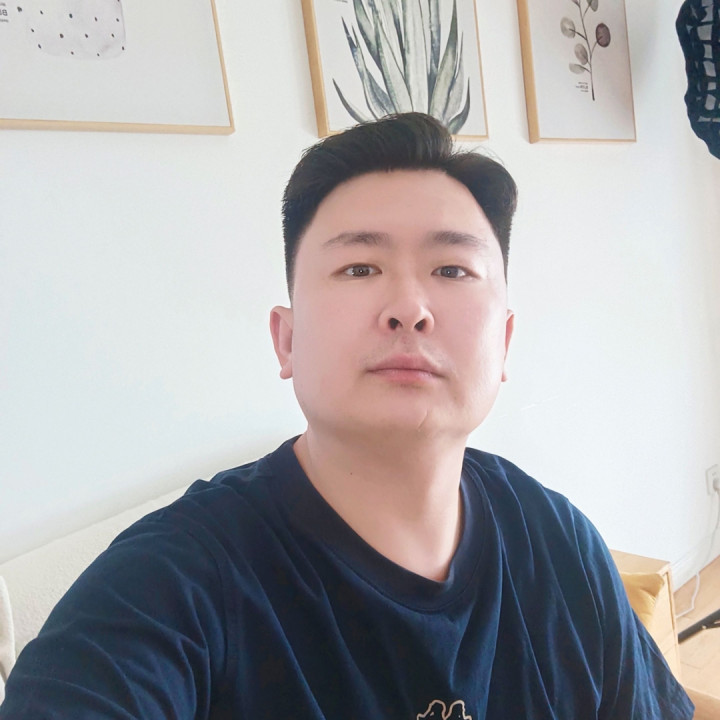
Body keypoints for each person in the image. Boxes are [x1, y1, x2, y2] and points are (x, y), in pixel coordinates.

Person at [0, 113, 694, 719]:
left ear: (504, 342)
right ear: (287, 340)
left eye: (452, 270)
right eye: (360, 268)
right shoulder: (170, 586)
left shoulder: (558, 542)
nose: (409, 307)